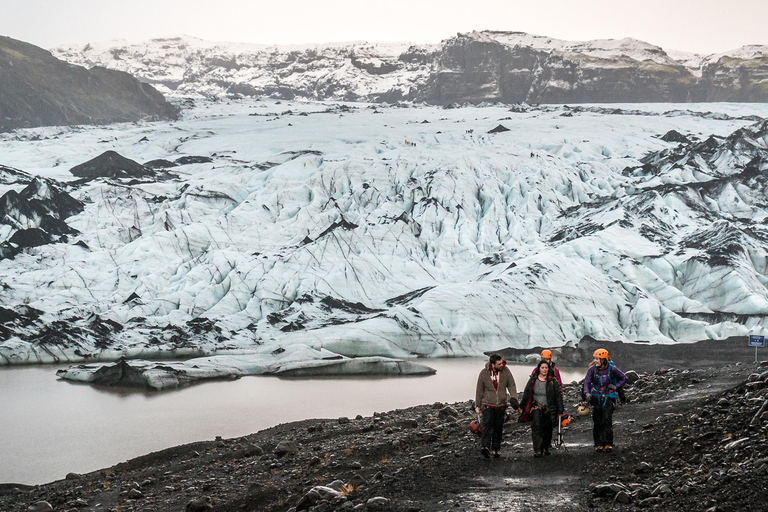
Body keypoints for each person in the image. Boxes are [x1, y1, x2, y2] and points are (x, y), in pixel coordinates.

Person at [583, 348, 628, 452]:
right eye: (595, 359)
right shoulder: (592, 369)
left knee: (607, 419)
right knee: (597, 420)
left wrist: (616, 386)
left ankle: (608, 443)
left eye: (597, 359)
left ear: (603, 359)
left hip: (609, 397)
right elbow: (586, 382)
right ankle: (598, 444)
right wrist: (587, 393)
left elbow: (624, 378)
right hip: (596, 397)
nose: (595, 361)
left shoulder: (612, 369)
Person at [475, 354, 518, 459]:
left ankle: (496, 449)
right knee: (487, 425)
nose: (501, 365)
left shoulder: (506, 371)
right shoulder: (484, 373)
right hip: (488, 404)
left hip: (501, 404)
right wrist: (477, 405)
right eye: (499, 364)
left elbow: (511, 384)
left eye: (502, 363)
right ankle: (485, 447)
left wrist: (514, 398)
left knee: (498, 427)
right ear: (492, 364)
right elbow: (479, 389)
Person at [519, 359, 564, 457]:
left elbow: (558, 395)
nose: (544, 370)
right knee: (536, 426)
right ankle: (538, 449)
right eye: (542, 368)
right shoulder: (533, 380)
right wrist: (521, 406)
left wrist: (560, 409)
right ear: (538, 369)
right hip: (536, 406)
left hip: (549, 407)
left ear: (549, 369)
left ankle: (546, 446)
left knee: (547, 428)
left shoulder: (553, 381)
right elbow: (527, 393)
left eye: (546, 368)